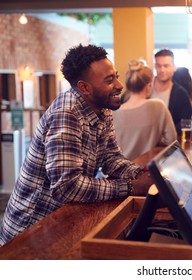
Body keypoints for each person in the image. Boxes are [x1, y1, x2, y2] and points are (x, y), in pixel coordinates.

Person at [0, 44, 150, 246]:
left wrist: (140, 173)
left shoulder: (102, 108)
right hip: (29, 232)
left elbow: (110, 157)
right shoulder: (67, 114)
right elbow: (67, 187)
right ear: (84, 88)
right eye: (109, 80)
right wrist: (130, 186)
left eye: (116, 76)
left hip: (61, 220)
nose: (119, 85)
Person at [113, 60, 177, 161]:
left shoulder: (113, 113)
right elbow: (172, 141)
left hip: (120, 174)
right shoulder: (158, 106)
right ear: (148, 87)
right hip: (148, 172)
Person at [151, 49, 192, 134]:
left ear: (174, 67)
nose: (162, 70)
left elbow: (186, 122)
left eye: (166, 66)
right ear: (155, 67)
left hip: (168, 142)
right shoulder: (144, 88)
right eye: (159, 66)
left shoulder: (181, 94)